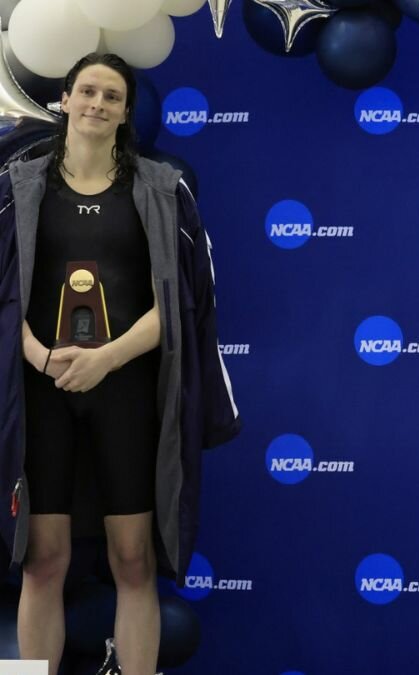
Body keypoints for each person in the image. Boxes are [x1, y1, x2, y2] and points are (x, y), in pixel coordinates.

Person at [0, 53, 240, 675]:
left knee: (133, 560)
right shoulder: (16, 187)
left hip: (126, 391)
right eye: (87, 91)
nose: (97, 104)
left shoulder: (161, 190)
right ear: (65, 100)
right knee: (42, 561)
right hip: (40, 393)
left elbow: (181, 303)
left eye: (112, 96)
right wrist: (39, 356)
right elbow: (2, 297)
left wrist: (105, 359)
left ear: (127, 112)